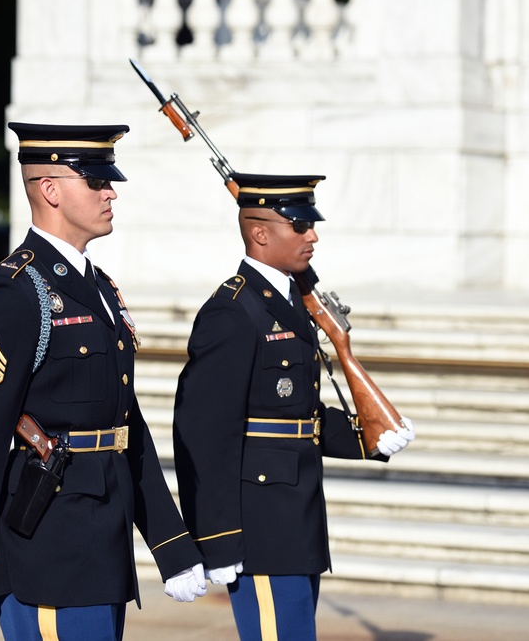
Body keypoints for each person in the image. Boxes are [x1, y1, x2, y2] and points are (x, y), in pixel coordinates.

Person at [0, 122, 206, 640]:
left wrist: (171, 545)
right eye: (96, 182)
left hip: (102, 544)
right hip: (47, 552)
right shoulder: (15, 292)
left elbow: (122, 425)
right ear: (50, 190)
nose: (111, 192)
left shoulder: (98, 288)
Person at [172, 172, 415, 640]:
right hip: (258, 532)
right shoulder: (233, 312)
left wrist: (370, 438)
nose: (313, 235)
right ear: (260, 232)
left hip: (297, 523)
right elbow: (202, 436)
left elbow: (296, 416)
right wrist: (217, 541)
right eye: (299, 226)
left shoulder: (290, 302)